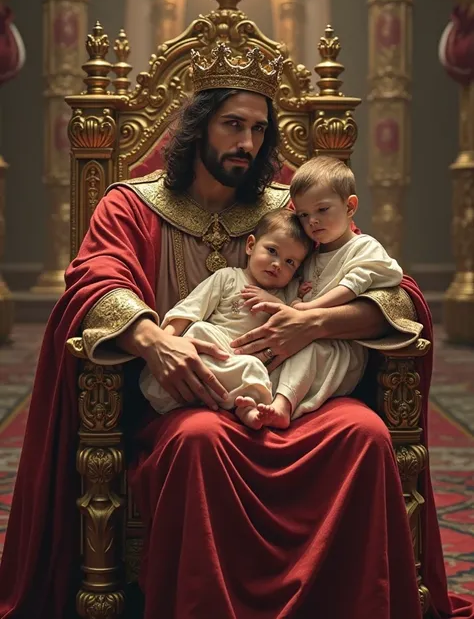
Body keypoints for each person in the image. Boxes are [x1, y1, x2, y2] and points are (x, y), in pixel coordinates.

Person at [0, 42, 472, 619]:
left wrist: (311, 323)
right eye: (231, 125)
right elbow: (97, 278)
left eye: (257, 129)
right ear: (197, 127)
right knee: (202, 440)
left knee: (364, 433)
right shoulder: (131, 205)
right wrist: (156, 341)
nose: (247, 143)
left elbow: (391, 290)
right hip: (188, 399)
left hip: (293, 393)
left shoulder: (294, 213)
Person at [240, 155, 403, 428]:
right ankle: (254, 402)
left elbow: (356, 283)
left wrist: (311, 309)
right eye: (303, 215)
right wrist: (292, 301)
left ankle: (283, 406)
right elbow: (296, 297)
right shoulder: (311, 256)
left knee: (308, 350)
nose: (312, 221)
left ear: (350, 206)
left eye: (322, 210)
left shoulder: (363, 247)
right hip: (304, 336)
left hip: (337, 349)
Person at [140, 208, 312, 429]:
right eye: (272, 251)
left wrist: (281, 301)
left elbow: (296, 322)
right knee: (200, 329)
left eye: (290, 262)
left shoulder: (285, 295)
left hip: (242, 361)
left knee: (255, 368)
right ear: (251, 245)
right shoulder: (228, 277)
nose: (278, 264)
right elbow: (190, 309)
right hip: (214, 352)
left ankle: (246, 408)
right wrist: (166, 341)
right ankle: (214, 393)